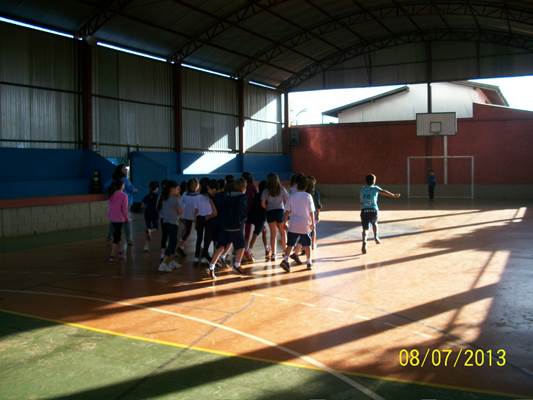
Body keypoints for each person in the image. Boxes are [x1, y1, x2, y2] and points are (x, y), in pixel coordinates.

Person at [207, 178, 248, 279]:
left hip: (225, 225)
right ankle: (237, 265)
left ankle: (211, 266)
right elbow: (242, 212)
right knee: (241, 246)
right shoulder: (242, 197)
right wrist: (243, 218)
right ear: (243, 188)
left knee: (221, 246)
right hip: (235, 226)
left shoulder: (227, 196)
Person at [280, 175, 316, 272]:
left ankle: (285, 259)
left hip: (293, 224)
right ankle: (309, 262)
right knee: (307, 245)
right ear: (305, 186)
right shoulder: (308, 196)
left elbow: (287, 211)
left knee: (290, 244)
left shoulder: (292, 196)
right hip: (305, 225)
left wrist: (284, 222)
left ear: (297, 186)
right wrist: (313, 223)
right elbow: (311, 212)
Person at [360, 174, 401, 254]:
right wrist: (393, 195)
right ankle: (376, 237)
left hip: (364, 210)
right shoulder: (375, 188)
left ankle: (364, 242)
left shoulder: (362, 189)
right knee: (374, 223)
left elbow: (361, 199)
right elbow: (384, 192)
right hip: (373, 210)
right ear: (374, 181)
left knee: (365, 229)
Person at [105, 164, 137, 246]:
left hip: (115, 203)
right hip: (126, 203)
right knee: (127, 221)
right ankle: (129, 239)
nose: (126, 170)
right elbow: (131, 188)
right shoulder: (125, 179)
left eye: (126, 168)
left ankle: (109, 236)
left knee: (113, 221)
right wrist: (135, 190)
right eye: (124, 169)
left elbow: (106, 185)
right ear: (120, 170)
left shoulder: (113, 179)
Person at [261, 173, 289, 261]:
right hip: (280, 211)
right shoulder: (282, 189)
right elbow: (288, 201)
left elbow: (262, 204)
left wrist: (268, 208)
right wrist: (285, 210)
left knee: (273, 234)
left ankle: (273, 254)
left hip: (270, 212)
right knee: (283, 232)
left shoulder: (266, 191)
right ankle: (285, 251)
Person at [158, 181, 183, 272]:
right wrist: (179, 200)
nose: (178, 191)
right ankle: (163, 264)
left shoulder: (163, 198)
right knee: (172, 244)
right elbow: (180, 212)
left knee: (173, 242)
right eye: (177, 189)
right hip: (173, 223)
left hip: (165, 222)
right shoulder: (175, 199)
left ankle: (172, 262)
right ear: (172, 189)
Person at [194, 177, 217, 264]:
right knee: (207, 238)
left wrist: (195, 221)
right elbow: (213, 211)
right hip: (209, 219)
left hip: (200, 218)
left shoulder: (197, 197)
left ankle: (196, 257)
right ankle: (204, 257)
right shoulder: (210, 197)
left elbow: (196, 211)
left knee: (199, 238)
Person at [245, 180, 269, 262]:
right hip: (260, 217)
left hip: (252, 216)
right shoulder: (265, 196)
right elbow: (265, 206)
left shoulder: (257, 195)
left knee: (264, 231)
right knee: (256, 233)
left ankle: (267, 249)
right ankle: (249, 250)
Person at [107, 180, 129, 263]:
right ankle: (112, 255)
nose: (124, 186)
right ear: (122, 186)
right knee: (117, 236)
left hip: (112, 218)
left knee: (117, 234)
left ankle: (120, 252)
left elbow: (110, 207)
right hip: (119, 219)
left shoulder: (112, 194)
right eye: (123, 185)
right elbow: (124, 209)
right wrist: (126, 218)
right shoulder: (124, 195)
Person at [179, 178, 199, 254]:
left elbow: (181, 204)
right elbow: (181, 205)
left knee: (187, 232)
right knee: (188, 232)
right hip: (192, 216)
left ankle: (181, 246)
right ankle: (181, 246)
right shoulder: (196, 195)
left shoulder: (185, 193)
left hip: (188, 216)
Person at [242, 172, 258, 263]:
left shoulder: (246, 187)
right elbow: (255, 198)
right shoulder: (252, 187)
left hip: (244, 212)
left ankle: (244, 251)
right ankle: (245, 251)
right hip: (249, 212)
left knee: (244, 232)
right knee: (247, 232)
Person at [142, 181, 159, 252]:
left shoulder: (147, 196)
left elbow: (142, 205)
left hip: (147, 213)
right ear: (157, 188)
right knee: (155, 228)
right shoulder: (158, 196)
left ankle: (146, 246)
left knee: (148, 228)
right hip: (155, 213)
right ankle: (150, 230)